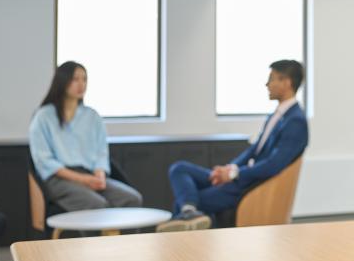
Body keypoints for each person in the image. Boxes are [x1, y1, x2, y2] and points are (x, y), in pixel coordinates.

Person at [158, 60, 308, 232]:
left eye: (272, 79)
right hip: (239, 177)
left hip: (249, 186)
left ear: (286, 83)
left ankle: (188, 213)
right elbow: (254, 150)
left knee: (185, 200)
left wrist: (234, 174)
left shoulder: (295, 121)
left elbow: (273, 164)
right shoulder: (277, 115)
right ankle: (190, 212)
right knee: (179, 169)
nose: (267, 84)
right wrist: (229, 168)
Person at [29, 61, 142, 211]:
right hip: (59, 179)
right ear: (62, 81)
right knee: (96, 204)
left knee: (132, 199)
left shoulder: (92, 116)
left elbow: (101, 153)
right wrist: (82, 179)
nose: (81, 84)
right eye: (75, 79)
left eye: (84, 79)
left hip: (90, 175)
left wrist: (99, 176)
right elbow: (44, 160)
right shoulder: (43, 116)